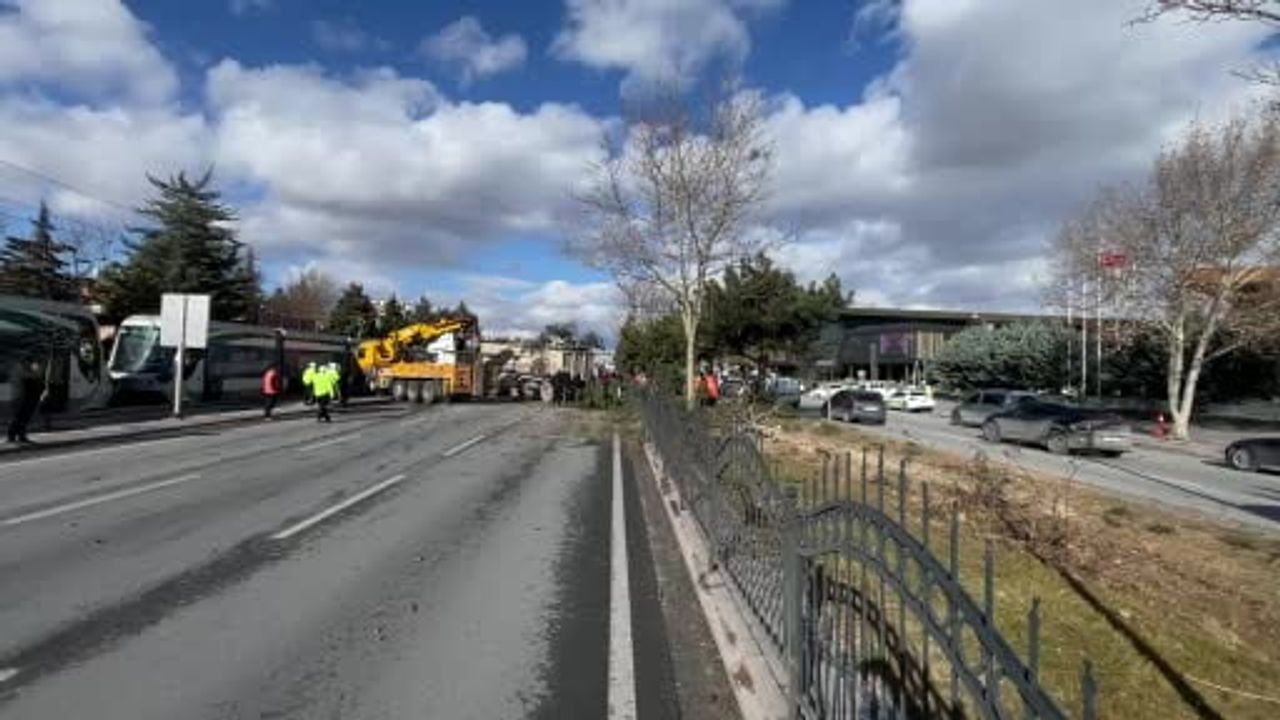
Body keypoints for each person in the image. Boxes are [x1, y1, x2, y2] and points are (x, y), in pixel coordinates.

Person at [7, 357, 46, 444]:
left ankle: (21, 435)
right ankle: (12, 436)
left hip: (25, 397)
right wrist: (37, 370)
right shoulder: (19, 369)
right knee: (19, 417)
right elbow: (32, 377)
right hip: (20, 397)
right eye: (29, 362)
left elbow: (35, 377)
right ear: (24, 362)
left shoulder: (24, 369)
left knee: (24, 418)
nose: (30, 364)